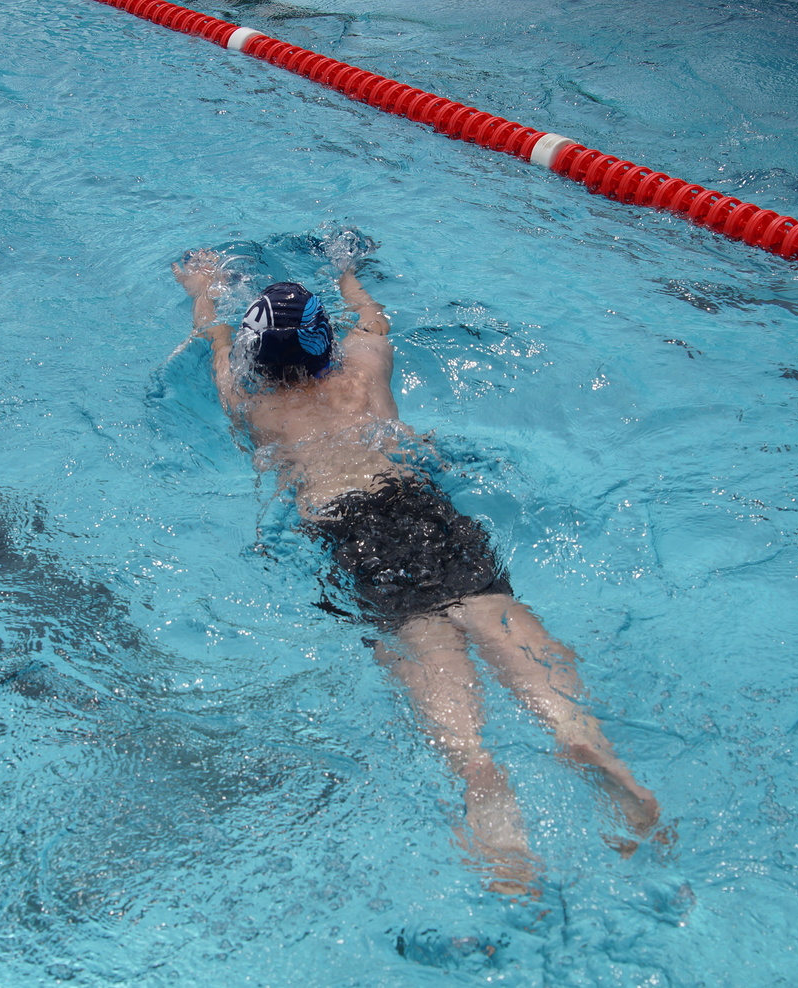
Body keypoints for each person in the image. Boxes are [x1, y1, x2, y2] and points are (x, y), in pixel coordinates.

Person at [174, 248, 662, 896]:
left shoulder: (248, 403)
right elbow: (372, 317)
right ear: (325, 344)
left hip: (353, 535)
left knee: (441, 685)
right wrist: (347, 272)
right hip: (420, 508)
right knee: (498, 618)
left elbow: (212, 341)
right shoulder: (364, 367)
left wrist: (203, 290)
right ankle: (584, 740)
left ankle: (482, 783)